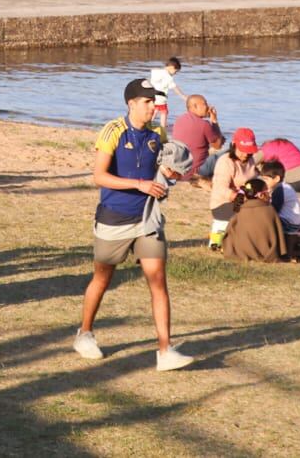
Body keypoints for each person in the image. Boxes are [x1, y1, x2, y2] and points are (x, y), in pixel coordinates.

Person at [74, 77, 193, 372]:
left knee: (158, 281)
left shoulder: (157, 132)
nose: (153, 107)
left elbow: (165, 168)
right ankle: (84, 334)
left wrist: (170, 175)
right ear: (131, 104)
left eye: (155, 101)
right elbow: (99, 176)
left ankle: (165, 350)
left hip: (147, 219)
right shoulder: (113, 131)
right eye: (147, 102)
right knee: (102, 279)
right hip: (114, 217)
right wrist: (139, 184)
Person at [208, 127, 260, 250]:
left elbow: (255, 179)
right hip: (223, 203)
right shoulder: (226, 162)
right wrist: (237, 196)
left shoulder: (250, 160)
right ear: (233, 145)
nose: (246, 154)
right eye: (242, 151)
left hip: (245, 199)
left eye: (249, 151)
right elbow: (220, 188)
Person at [221, 178, 287, 264]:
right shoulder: (269, 210)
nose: (269, 193)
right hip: (266, 252)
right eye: (267, 190)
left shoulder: (239, 211)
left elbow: (229, 232)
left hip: (241, 251)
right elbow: (278, 233)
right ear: (261, 195)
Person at [170, 94, 224, 182]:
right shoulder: (204, 124)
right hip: (195, 173)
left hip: (179, 171)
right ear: (195, 106)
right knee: (228, 153)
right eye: (205, 104)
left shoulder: (179, 120)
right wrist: (214, 120)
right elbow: (218, 146)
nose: (208, 107)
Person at [257, 159, 300, 244]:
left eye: (266, 179)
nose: (263, 182)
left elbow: (273, 212)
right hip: (296, 223)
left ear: (276, 178)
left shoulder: (280, 190)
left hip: (290, 225)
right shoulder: (283, 187)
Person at [147, 57, 185, 128]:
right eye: (175, 71)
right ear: (171, 67)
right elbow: (174, 87)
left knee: (155, 109)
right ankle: (163, 126)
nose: (175, 73)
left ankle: (148, 122)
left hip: (152, 96)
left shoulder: (157, 72)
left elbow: (152, 73)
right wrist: (183, 96)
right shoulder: (168, 77)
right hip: (160, 98)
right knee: (164, 111)